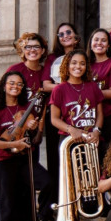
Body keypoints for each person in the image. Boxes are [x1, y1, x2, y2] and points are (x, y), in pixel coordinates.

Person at [0, 71, 54, 221]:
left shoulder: (26, 109)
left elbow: (33, 139)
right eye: (11, 83)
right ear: (4, 86)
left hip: (24, 160)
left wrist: (34, 129)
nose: (15, 86)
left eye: (19, 84)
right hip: (4, 163)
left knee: (47, 182)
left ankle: (43, 217)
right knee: (7, 206)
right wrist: (12, 144)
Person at [42, 22, 82, 183]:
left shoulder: (83, 55)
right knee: (55, 154)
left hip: (78, 110)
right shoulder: (52, 58)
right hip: (57, 109)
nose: (65, 36)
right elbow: (45, 85)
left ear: (76, 36)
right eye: (61, 34)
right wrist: (66, 88)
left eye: (68, 32)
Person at [6, 32, 50, 170]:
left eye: (36, 47)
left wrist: (39, 131)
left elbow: (44, 106)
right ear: (23, 51)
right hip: (15, 126)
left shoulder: (45, 73)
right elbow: (4, 98)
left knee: (31, 168)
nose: (32, 50)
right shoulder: (15, 70)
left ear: (42, 50)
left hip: (32, 128)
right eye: (28, 47)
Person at [49, 49, 104, 151]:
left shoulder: (93, 86)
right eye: (74, 63)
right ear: (67, 65)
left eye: (82, 63)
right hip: (70, 140)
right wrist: (71, 130)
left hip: (92, 139)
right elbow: (54, 119)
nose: (78, 67)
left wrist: (97, 131)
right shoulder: (59, 89)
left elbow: (100, 113)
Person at [88, 28, 111, 154]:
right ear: (90, 44)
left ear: (108, 45)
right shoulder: (85, 63)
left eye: (103, 40)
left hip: (107, 117)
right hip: (87, 116)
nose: (99, 43)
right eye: (96, 40)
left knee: (104, 153)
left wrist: (89, 93)